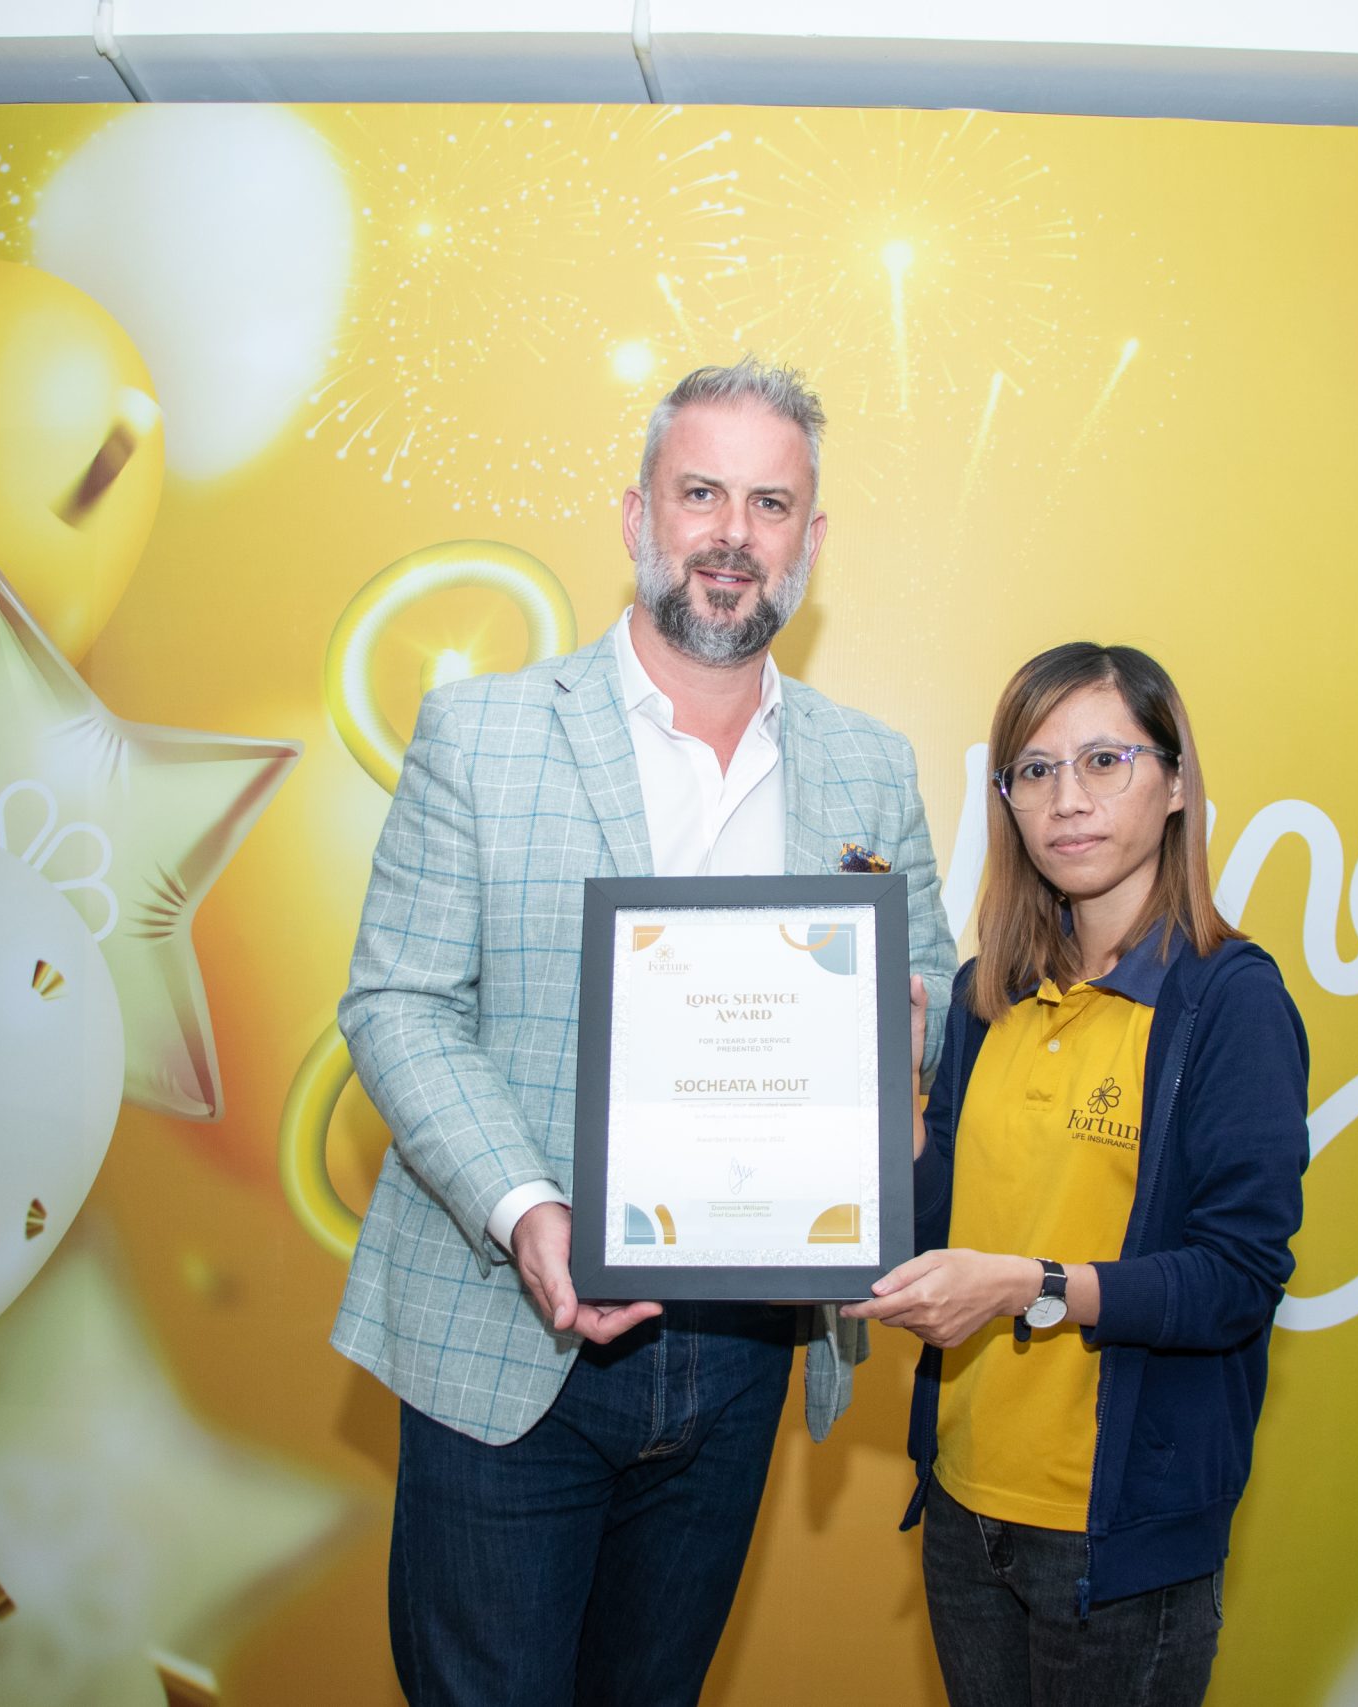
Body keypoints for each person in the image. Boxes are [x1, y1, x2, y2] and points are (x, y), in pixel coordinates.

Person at [330, 356, 957, 1707]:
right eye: (700, 493)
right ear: (638, 516)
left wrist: (895, 1037)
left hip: (743, 1359)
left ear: (810, 540)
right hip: (511, 1337)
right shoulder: (482, 732)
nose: (733, 534)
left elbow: (930, 994)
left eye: (770, 504)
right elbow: (397, 1000)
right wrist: (528, 1210)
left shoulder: (870, 765)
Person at [844, 642, 1310, 1706]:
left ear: (1176, 782)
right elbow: (937, 1228)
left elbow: (1237, 1279)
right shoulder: (987, 994)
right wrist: (894, 1101)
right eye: (1035, 770)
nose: (1067, 799)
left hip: (1117, 1540)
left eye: (1105, 760)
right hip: (964, 1505)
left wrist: (1033, 1286)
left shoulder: (1228, 1000)